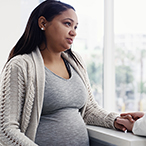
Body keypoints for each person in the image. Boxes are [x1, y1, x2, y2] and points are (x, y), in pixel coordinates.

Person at [0, 0, 128, 145]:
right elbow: (6, 129)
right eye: (67, 24)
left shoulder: (76, 62)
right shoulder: (20, 66)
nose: (73, 32)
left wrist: (116, 120)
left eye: (75, 27)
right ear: (43, 23)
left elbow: (89, 110)